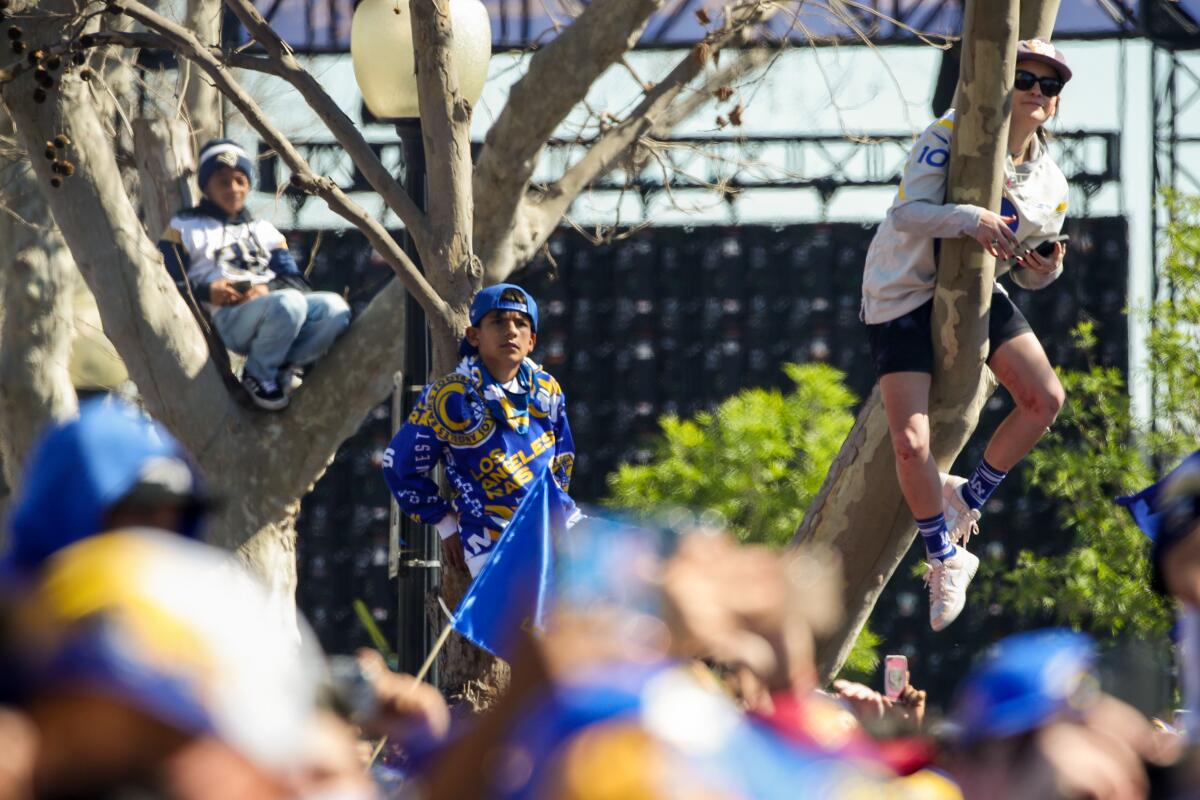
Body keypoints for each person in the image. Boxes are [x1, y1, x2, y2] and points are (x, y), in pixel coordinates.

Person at [860, 38, 1073, 631]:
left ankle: (968, 499)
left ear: (1055, 103)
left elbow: (1035, 272)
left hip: (978, 292)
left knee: (1045, 399)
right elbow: (905, 215)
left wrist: (1044, 266)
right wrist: (969, 217)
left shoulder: (1050, 182)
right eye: (1024, 78)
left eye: (1048, 85)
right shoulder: (946, 134)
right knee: (910, 442)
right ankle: (942, 554)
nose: (1035, 91)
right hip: (902, 289)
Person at [383, 284, 578, 577]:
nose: (511, 331)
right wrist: (445, 524)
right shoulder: (449, 397)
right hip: (491, 541)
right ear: (474, 336)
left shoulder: (547, 387)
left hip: (556, 525)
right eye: (498, 321)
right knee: (522, 622)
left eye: (521, 324)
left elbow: (564, 455)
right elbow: (397, 465)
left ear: (532, 341)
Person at [158, 138, 351, 410]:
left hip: (275, 306)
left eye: (240, 180)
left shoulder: (265, 230)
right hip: (230, 315)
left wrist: (266, 290)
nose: (233, 188)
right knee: (288, 303)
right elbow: (164, 278)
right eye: (223, 181)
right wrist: (207, 291)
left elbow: (295, 281)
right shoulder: (184, 225)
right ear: (206, 185)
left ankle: (282, 365)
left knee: (334, 307)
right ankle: (258, 375)